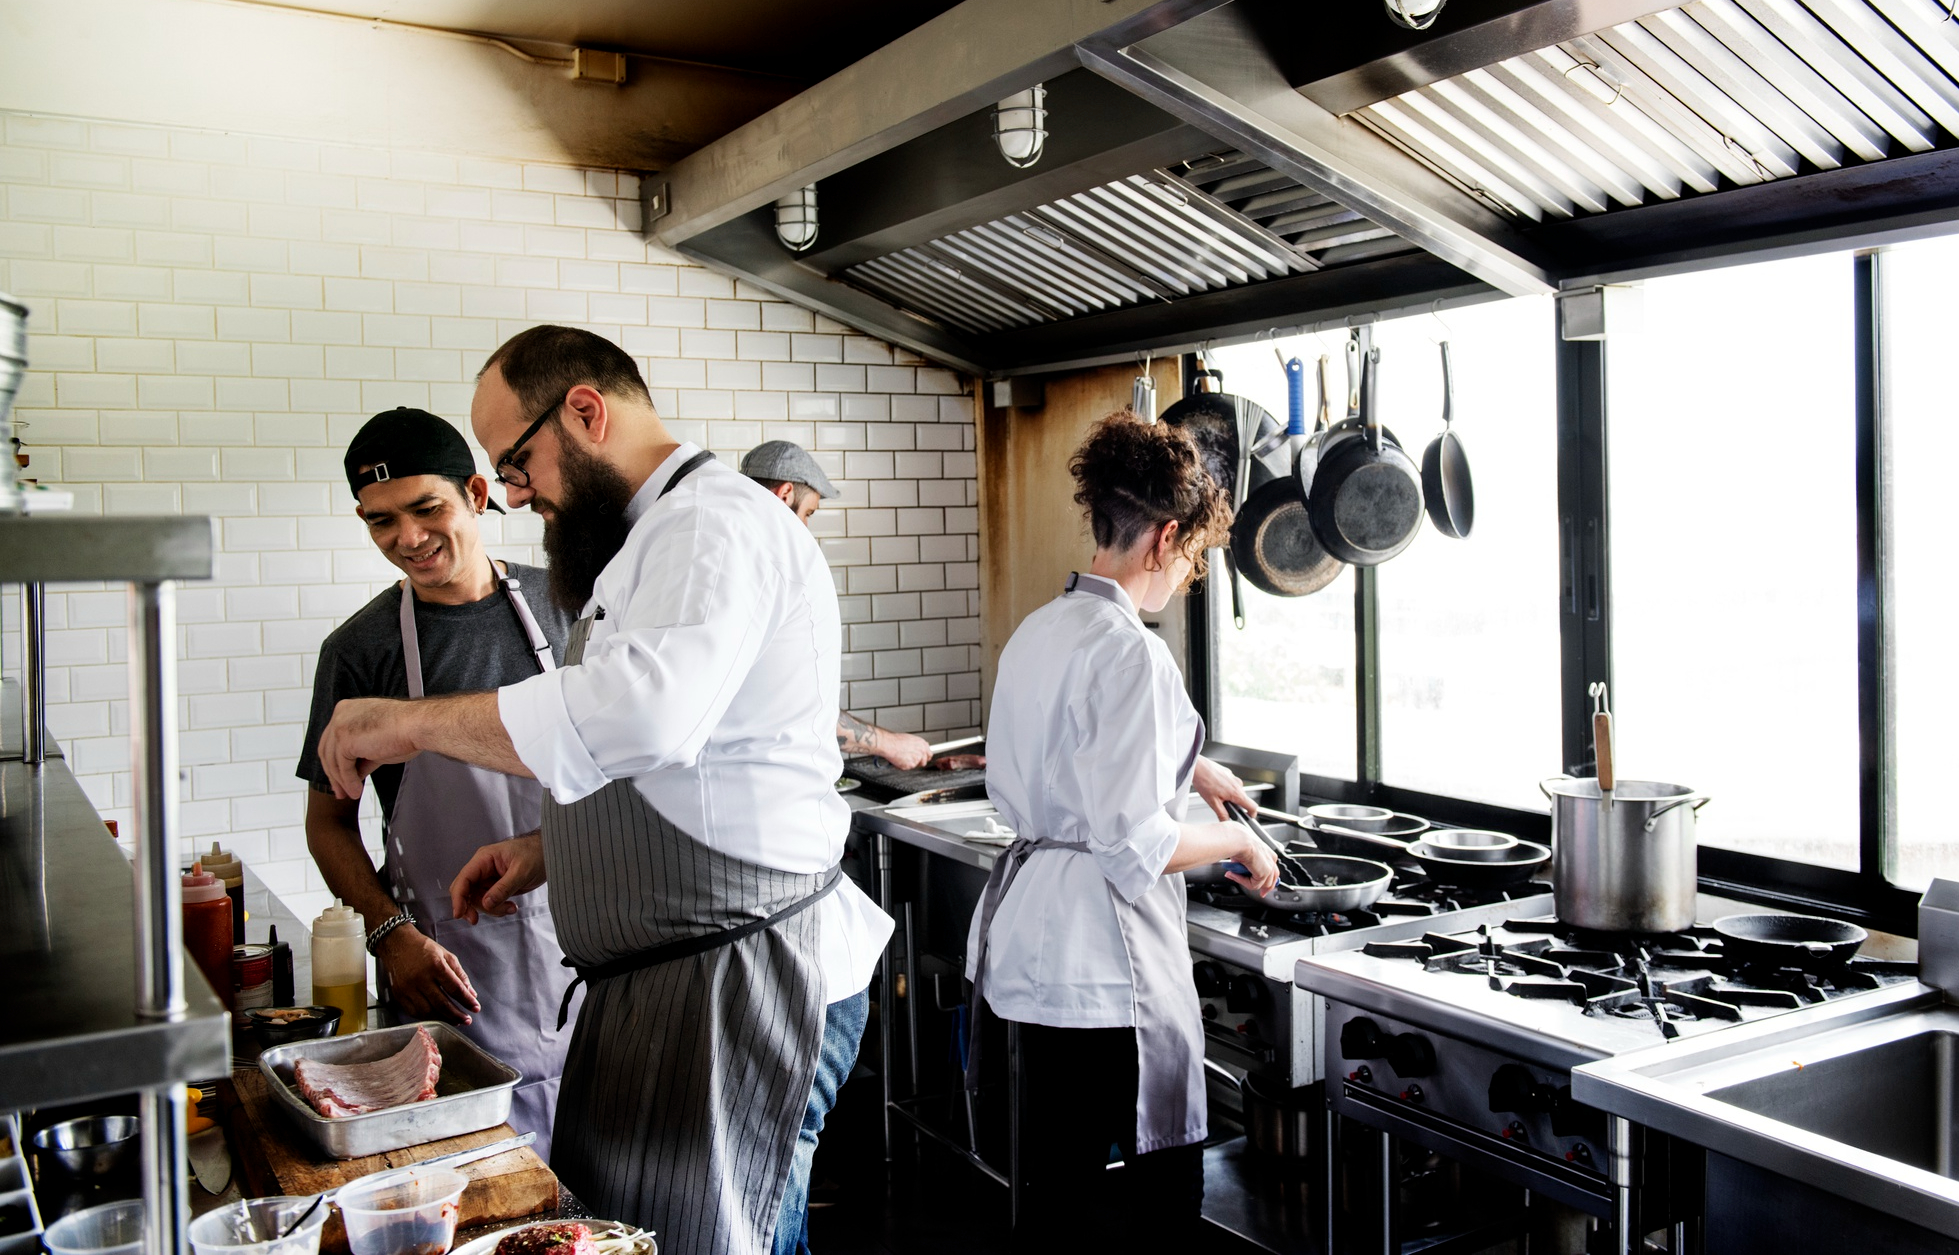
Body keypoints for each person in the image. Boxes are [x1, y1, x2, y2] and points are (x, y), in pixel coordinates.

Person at [314, 327, 890, 1255]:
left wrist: (408, 721)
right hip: (677, 983)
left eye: (517, 461)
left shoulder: (712, 524)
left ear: (585, 411)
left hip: (741, 977)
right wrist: (555, 848)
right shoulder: (652, 540)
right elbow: (684, 761)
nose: (514, 492)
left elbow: (640, 718)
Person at [965, 411, 1280, 1244]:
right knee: (1160, 1213)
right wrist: (1242, 843)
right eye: (1195, 556)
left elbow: (1064, 767)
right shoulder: (1134, 651)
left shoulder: (1043, 627)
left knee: (1053, 1201)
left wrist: (1189, 764)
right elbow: (1139, 845)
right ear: (1165, 536)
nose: (1188, 573)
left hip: (1029, 959)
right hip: (1104, 978)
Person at [298, 407, 573, 1152]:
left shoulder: (571, 602)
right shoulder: (360, 650)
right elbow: (328, 822)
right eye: (380, 521)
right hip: (451, 972)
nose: (408, 539)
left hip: (589, 951)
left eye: (427, 509)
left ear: (477, 493)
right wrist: (391, 936)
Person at [741, 439, 934, 771]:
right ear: (785, 494)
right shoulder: (774, 576)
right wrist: (890, 744)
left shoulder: (732, 559)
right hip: (769, 787)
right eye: (809, 513)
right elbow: (797, 705)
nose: (805, 529)